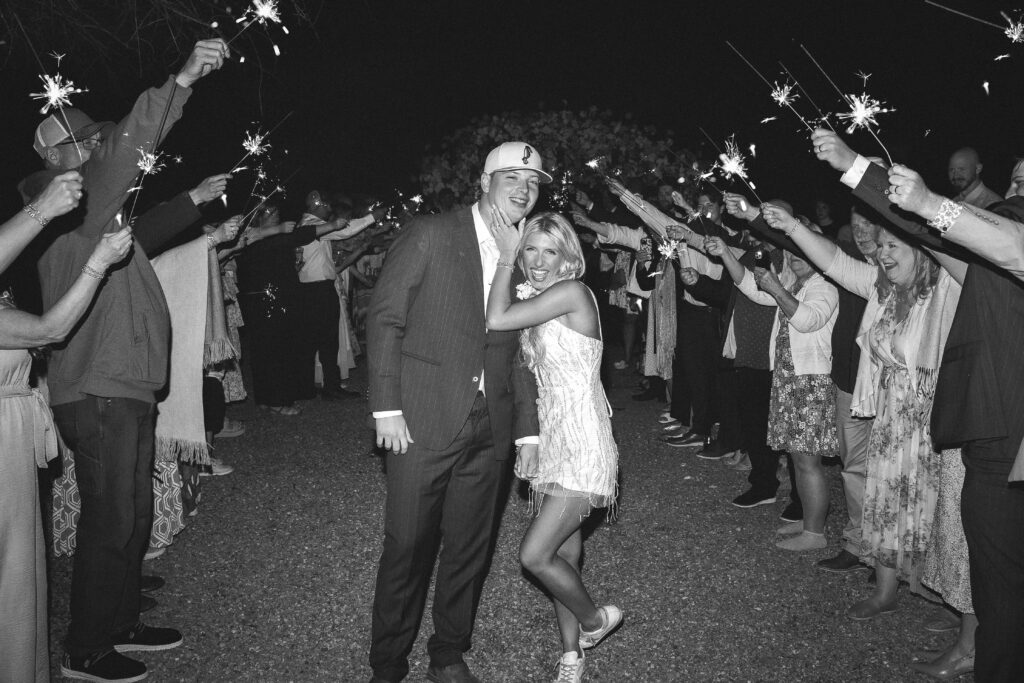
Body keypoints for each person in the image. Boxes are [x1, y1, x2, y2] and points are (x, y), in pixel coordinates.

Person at [16, 39, 228, 683]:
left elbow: (148, 232)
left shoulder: (93, 220)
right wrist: (181, 82)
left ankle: (122, 619)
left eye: (94, 139)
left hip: (125, 385)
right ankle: (85, 648)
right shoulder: (59, 208)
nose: (93, 148)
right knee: (111, 516)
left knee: (132, 511)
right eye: (81, 142)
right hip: (97, 387)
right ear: (53, 157)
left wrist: (193, 199)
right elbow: (127, 150)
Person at [812, 129, 1024, 682]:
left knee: (983, 562)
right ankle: (978, 645)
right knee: (990, 571)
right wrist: (852, 175)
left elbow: (970, 236)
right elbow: (904, 241)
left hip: (992, 436)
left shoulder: (990, 259)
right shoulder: (978, 267)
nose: (1016, 190)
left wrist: (918, 197)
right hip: (980, 435)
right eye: (1016, 180)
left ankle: (977, 644)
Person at [366, 141, 542, 683]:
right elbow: (385, 318)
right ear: (484, 182)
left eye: (532, 182)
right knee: (407, 546)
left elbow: (520, 349)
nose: (523, 189)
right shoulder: (431, 233)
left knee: (470, 548)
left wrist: (528, 434)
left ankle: (447, 652)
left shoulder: (527, 252)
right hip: (422, 415)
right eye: (511, 177)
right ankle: (388, 662)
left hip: (492, 426)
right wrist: (386, 407)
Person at [760, 199, 961, 621]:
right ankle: (885, 590)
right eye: (881, 246)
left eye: (893, 246)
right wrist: (790, 226)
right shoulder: (883, 289)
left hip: (929, 421)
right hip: (890, 416)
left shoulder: (944, 291)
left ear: (921, 251)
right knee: (884, 499)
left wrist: (919, 203)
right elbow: (834, 261)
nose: (883, 253)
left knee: (931, 508)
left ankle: (944, 597)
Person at [0, 173, 129, 683]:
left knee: (19, 569)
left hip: (12, 437)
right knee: (10, 570)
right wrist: (92, 260)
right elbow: (50, 329)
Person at [486, 211, 622, 683]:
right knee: (564, 558)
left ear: (568, 258)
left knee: (534, 555)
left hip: (583, 442)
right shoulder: (540, 296)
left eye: (550, 251)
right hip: (554, 441)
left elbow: (497, 318)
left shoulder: (571, 293)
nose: (539, 261)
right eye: (530, 250)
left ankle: (595, 620)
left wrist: (505, 259)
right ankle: (571, 656)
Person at [706, 231, 839, 550]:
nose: (795, 258)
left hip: (810, 383)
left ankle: (815, 533)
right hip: (788, 381)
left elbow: (808, 320)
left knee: (808, 463)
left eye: (802, 253)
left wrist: (777, 288)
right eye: (792, 253)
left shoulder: (824, 286)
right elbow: (752, 288)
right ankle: (809, 522)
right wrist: (725, 253)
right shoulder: (797, 285)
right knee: (798, 460)